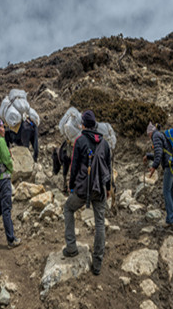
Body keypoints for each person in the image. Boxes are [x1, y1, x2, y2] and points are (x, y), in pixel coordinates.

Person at [63, 110, 112, 276]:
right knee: (100, 222)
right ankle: (97, 262)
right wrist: (109, 188)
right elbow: (109, 169)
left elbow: (74, 167)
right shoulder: (104, 143)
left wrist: (71, 187)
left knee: (68, 209)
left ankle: (71, 248)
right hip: (100, 188)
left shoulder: (80, 140)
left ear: (83, 124)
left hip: (83, 189)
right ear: (96, 125)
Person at [0, 117, 22, 249]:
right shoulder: (0, 141)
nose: (4, 129)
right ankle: (11, 240)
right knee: (6, 209)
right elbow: (6, 160)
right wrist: (11, 169)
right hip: (3, 178)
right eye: (1, 127)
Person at [144, 122, 173, 230]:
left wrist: (153, 167)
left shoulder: (156, 136)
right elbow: (162, 153)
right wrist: (148, 156)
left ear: (150, 132)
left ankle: (171, 220)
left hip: (170, 167)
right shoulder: (162, 135)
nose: (149, 137)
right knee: (172, 191)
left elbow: (158, 153)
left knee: (166, 191)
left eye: (148, 134)